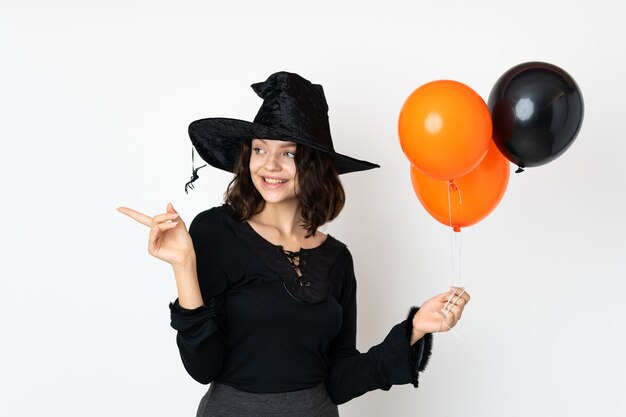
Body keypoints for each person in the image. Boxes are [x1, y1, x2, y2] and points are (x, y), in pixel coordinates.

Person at [117, 71, 470, 417]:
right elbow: (203, 368)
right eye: (259, 149)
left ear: (314, 164)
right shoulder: (215, 231)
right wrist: (184, 266)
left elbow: (339, 380)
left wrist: (414, 330)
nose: (270, 165)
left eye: (289, 153)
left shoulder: (337, 258)